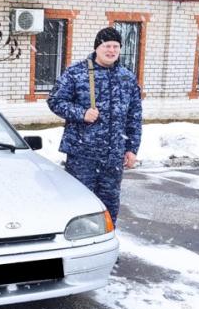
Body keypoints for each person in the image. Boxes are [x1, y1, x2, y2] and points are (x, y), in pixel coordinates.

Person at [47, 27, 142, 226]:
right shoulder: (76, 73)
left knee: (109, 205)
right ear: (97, 48)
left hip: (113, 156)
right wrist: (81, 113)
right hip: (83, 154)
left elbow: (134, 115)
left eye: (116, 46)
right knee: (79, 203)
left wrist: (132, 148)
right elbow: (55, 101)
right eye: (107, 45)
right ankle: (79, 249)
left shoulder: (127, 77)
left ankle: (105, 247)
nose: (112, 50)